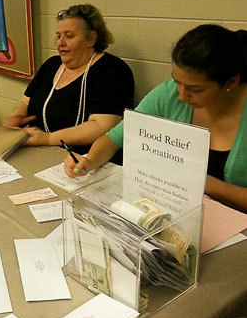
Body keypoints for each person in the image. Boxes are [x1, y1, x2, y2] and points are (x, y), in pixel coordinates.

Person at [65, 25, 247, 213]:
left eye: (196, 90)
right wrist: (90, 160)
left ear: (231, 83)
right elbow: (116, 137)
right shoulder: (169, 94)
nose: (182, 96)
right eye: (177, 81)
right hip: (176, 213)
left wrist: (205, 184)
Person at [4, 4, 134, 161]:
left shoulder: (112, 70)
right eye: (58, 36)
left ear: (91, 39)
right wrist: (15, 117)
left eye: (69, 36)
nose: (60, 43)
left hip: (84, 160)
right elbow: (26, 101)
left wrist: (48, 139)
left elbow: (101, 126)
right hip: (39, 153)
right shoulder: (51, 65)